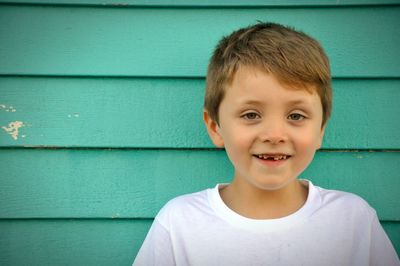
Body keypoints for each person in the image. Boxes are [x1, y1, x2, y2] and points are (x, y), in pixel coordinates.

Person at [133, 22, 399, 265]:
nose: (274, 134)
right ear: (216, 127)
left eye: (296, 116)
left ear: (320, 130)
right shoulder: (179, 224)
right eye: (251, 115)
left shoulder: (353, 221)